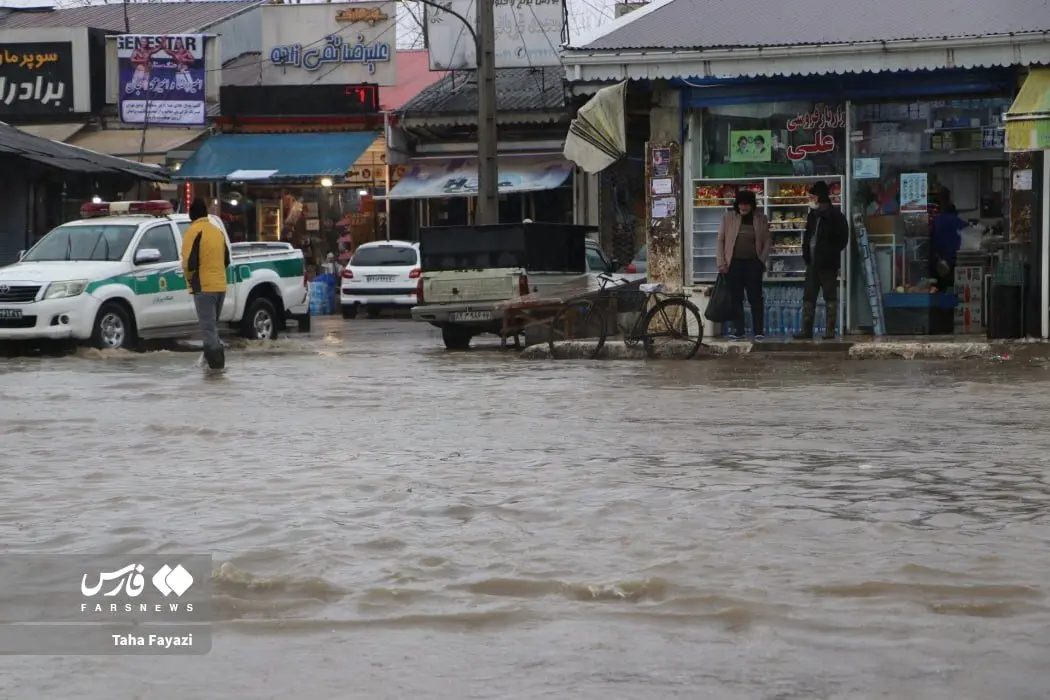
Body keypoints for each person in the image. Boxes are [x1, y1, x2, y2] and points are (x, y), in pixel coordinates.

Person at [794, 180, 849, 340]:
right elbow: (808, 236)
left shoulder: (835, 216)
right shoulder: (813, 215)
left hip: (828, 265)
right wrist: (805, 254)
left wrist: (829, 253)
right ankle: (806, 330)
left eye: (813, 196)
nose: (811, 199)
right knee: (808, 296)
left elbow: (843, 238)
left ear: (821, 197)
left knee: (829, 296)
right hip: (812, 263)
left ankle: (830, 331)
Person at [181, 198, 231, 369]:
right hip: (220, 287)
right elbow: (226, 260)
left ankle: (217, 370)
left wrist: (190, 282)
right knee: (212, 328)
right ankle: (207, 365)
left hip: (204, 287)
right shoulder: (217, 232)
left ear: (191, 214)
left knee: (209, 331)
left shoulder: (193, 231)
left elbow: (188, 263)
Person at [717, 189, 771, 340]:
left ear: (752, 205)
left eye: (747, 204)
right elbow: (720, 240)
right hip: (733, 264)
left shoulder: (761, 218)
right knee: (736, 298)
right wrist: (721, 262)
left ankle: (758, 330)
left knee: (755, 297)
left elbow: (767, 241)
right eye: (741, 204)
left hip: (753, 263)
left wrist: (761, 260)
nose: (744, 207)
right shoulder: (728, 217)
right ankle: (738, 330)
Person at [930, 203, 966, 291]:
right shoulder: (960, 222)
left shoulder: (938, 221)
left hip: (941, 259)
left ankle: (941, 301)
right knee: (955, 283)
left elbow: (933, 238)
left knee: (940, 286)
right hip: (956, 259)